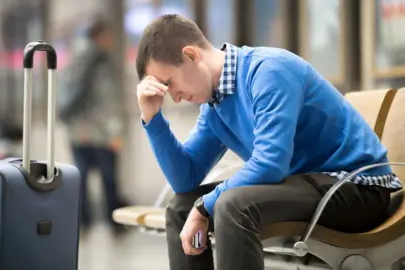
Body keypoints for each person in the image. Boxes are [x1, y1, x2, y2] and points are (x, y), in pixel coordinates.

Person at [135, 14, 401, 270]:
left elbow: (271, 163)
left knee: (231, 204)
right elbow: (185, 180)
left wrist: (205, 205)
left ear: (191, 55)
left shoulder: (268, 71)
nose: (175, 98)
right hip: (307, 184)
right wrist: (152, 117)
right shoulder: (214, 106)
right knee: (181, 207)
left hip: (355, 188)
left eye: (169, 84)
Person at [58, 17, 127, 235]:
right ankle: (113, 220)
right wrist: (115, 131)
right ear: (99, 36)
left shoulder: (74, 57)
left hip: (77, 131)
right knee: (108, 178)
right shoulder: (100, 61)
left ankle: (83, 221)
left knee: (82, 177)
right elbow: (107, 99)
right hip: (100, 133)